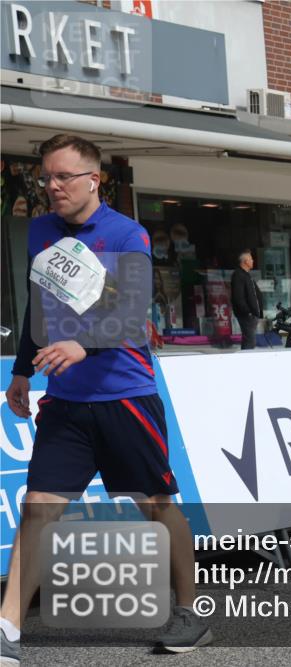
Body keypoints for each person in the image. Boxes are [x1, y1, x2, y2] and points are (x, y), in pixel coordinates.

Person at [0, 135, 212, 665]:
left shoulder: (127, 233)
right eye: (46, 177)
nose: (51, 187)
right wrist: (23, 369)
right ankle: (7, 628)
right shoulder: (43, 232)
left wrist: (82, 343)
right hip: (66, 402)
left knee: (157, 506)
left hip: (125, 395)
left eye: (63, 177)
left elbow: (133, 309)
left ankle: (189, 613)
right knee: (38, 509)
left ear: (93, 180)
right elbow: (38, 308)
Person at [230, 249, 263, 350]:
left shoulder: (246, 275)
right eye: (251, 259)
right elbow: (238, 297)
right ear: (245, 261)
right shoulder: (238, 275)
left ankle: (245, 359)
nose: (253, 261)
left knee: (249, 340)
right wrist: (248, 312)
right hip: (246, 315)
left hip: (252, 314)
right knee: (250, 341)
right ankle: (247, 361)